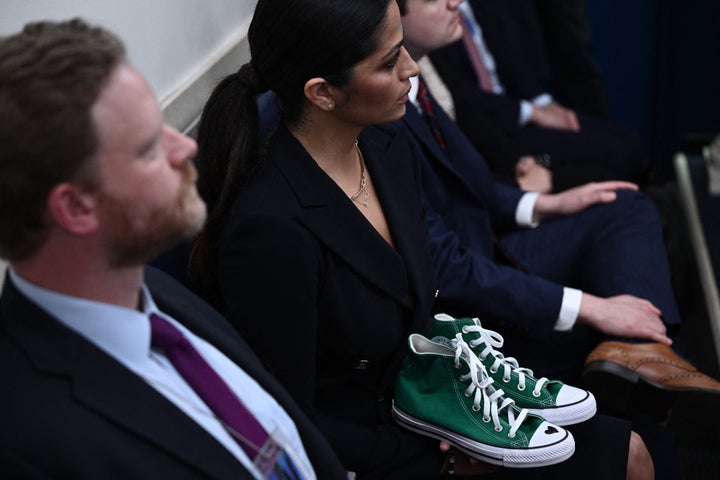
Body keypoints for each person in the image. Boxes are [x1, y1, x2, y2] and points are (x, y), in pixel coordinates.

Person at [191, 0, 655, 478]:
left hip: (432, 399)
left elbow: (416, 307)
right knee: (626, 455)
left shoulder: (385, 146)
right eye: (391, 61)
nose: (412, 68)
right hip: (377, 449)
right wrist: (451, 460)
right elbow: (287, 416)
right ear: (323, 92)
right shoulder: (269, 229)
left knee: (630, 446)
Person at [0, 18, 346, 479]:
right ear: (76, 208)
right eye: (147, 148)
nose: (184, 147)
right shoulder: (31, 442)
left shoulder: (159, 296)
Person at [395, 0, 720, 407]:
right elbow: (446, 266)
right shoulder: (387, 108)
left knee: (623, 201)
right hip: (464, 295)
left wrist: (546, 204)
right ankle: (635, 358)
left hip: (487, 245)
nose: (455, 2)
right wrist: (590, 308)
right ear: (390, 13)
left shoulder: (416, 81)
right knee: (634, 420)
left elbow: (471, 181)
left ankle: (641, 351)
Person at [424, 0, 650, 191]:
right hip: (499, 129)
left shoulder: (475, 7)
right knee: (612, 161)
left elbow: (507, 61)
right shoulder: (434, 31)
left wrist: (546, 104)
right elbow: (466, 102)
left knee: (630, 144)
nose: (454, 3)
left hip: (519, 110)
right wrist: (532, 115)